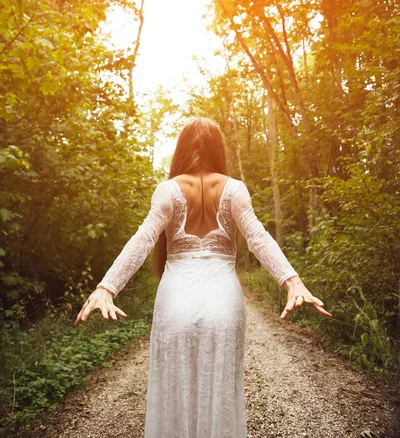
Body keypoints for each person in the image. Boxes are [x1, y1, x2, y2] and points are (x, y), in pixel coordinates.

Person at [74, 117, 332, 437]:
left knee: (174, 387)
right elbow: (259, 238)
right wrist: (292, 281)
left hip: (175, 301)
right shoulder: (234, 189)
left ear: (181, 150)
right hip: (223, 301)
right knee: (221, 387)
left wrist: (106, 287)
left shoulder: (168, 190)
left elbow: (143, 240)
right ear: (217, 149)